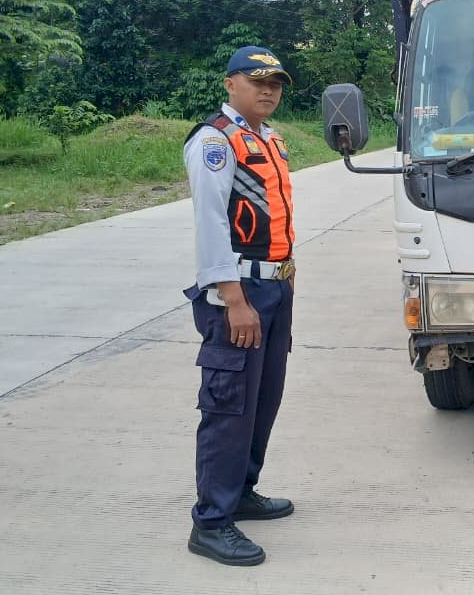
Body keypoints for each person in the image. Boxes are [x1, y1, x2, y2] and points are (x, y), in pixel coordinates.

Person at [181, 46, 297, 565]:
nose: (268, 90)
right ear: (230, 84)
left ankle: (241, 491)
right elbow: (210, 224)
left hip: (274, 289)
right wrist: (234, 299)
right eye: (257, 81)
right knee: (228, 407)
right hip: (239, 294)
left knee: (262, 400)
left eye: (275, 83)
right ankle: (211, 521)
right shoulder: (215, 141)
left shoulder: (267, 139)